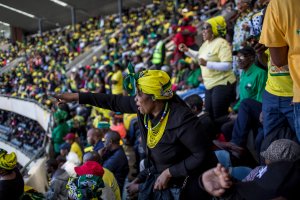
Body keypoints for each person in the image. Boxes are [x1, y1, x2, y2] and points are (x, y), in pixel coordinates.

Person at [54, 69, 217, 199]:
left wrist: (169, 173)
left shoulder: (182, 119)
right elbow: (113, 101)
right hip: (160, 175)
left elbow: (202, 154)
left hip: (189, 183)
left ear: (155, 98)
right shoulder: (144, 110)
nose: (136, 99)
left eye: (139, 94)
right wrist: (77, 96)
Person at [179, 16, 236, 122]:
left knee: (219, 114)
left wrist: (207, 64)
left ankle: (226, 135)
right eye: (203, 28)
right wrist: (187, 51)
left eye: (206, 28)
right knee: (209, 114)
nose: (203, 31)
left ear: (214, 29)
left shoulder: (221, 43)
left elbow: (227, 65)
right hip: (210, 84)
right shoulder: (205, 44)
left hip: (222, 83)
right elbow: (199, 57)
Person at [259, 0, 300, 142]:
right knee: (270, 144)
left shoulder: (278, 7)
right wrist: (260, 54)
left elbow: (279, 61)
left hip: (292, 94)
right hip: (272, 94)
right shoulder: (267, 43)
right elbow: (271, 65)